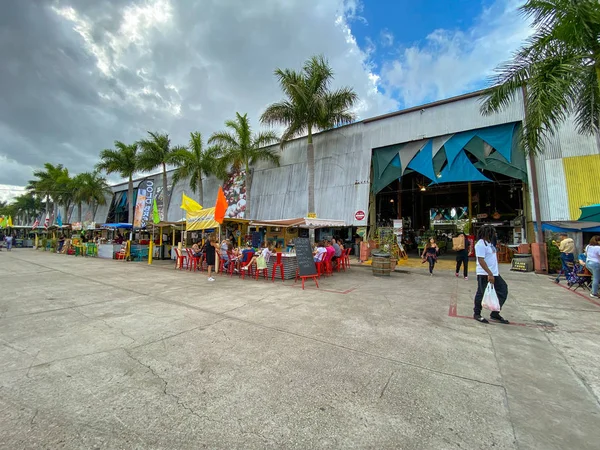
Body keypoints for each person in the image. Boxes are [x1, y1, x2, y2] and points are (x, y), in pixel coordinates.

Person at [473, 225, 509, 324]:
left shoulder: (490, 243)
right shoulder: (480, 244)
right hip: (485, 273)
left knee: (503, 290)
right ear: (487, 233)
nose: (495, 234)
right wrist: (489, 273)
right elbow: (481, 260)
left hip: (494, 273)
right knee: (481, 292)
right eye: (493, 232)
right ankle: (477, 313)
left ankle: (495, 313)